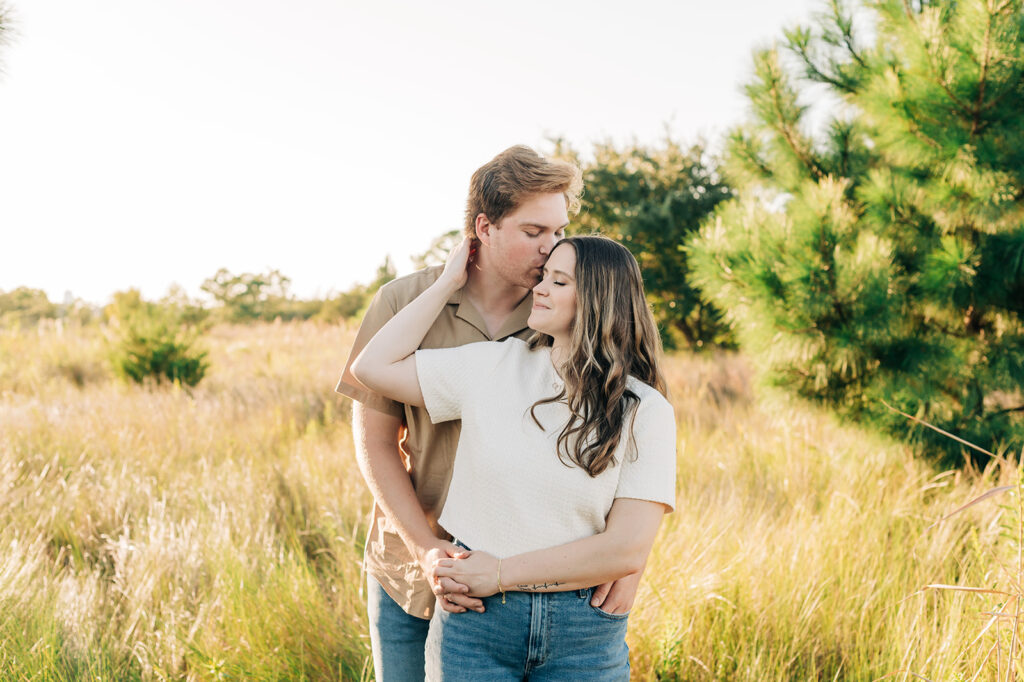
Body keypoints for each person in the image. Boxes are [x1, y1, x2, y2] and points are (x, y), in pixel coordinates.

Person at [336, 146, 645, 681]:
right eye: (534, 232)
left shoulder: (562, 309)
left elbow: (629, 429)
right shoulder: (402, 301)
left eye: (558, 231)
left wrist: (631, 559)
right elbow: (376, 442)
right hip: (412, 565)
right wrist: (426, 548)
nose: (552, 250)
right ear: (484, 226)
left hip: (525, 586)